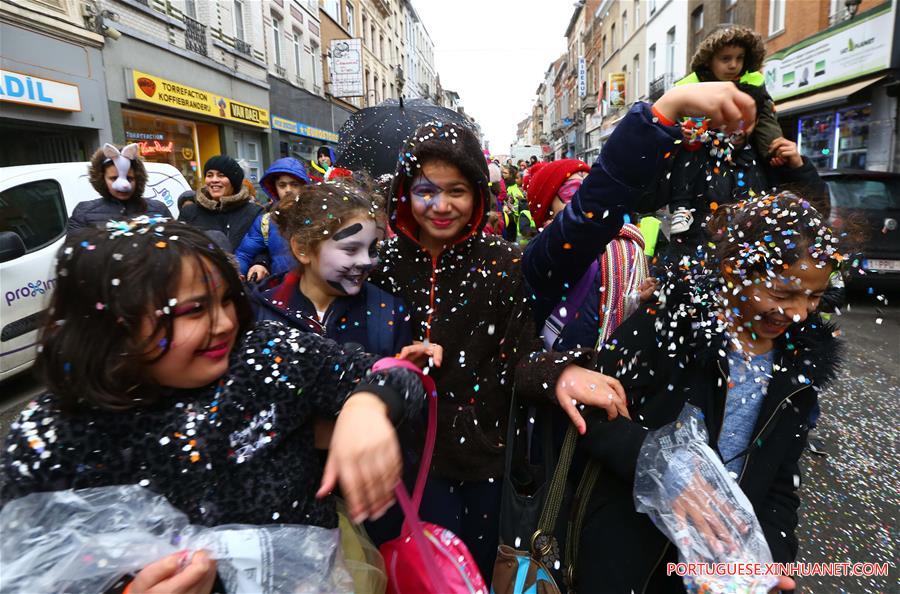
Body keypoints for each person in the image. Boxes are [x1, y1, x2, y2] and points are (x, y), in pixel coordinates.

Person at [0, 218, 430, 593]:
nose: (224, 323)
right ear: (112, 324)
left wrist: (368, 406)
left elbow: (396, 376)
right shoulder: (51, 436)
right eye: (193, 310)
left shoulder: (265, 354)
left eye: (226, 300)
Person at [526, 192, 838, 593]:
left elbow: (781, 480)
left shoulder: (798, 367)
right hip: (633, 557)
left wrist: (771, 559)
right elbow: (592, 408)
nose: (797, 313)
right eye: (780, 294)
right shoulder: (669, 326)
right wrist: (658, 466)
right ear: (733, 270)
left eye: (813, 297)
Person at [367, 121, 626, 581]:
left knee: (476, 576)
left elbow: (522, 357)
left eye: (457, 191)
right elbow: (352, 350)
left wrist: (559, 374)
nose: (441, 206)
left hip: (480, 463)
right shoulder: (382, 264)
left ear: (478, 196)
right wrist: (389, 366)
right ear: (406, 192)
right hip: (398, 458)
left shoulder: (501, 261)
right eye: (426, 190)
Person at [251, 176, 411, 357]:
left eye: (373, 249)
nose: (366, 261)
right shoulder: (259, 312)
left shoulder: (387, 312)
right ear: (302, 249)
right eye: (351, 249)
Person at [675, 25, 783, 160]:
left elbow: (769, 131)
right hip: (699, 168)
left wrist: (776, 153)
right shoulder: (686, 89)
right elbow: (672, 138)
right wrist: (684, 137)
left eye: (740, 58)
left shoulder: (755, 85)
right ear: (708, 60)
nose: (733, 65)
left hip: (746, 168)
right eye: (725, 58)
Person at [67, 143, 172, 233]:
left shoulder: (158, 209)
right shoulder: (84, 213)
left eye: (130, 178)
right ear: (102, 178)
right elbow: (74, 252)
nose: (124, 185)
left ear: (138, 179)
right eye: (114, 178)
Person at [235, 157, 310, 281]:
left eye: (294, 184)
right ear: (274, 188)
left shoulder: (318, 216)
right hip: (281, 290)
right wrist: (235, 275)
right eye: (282, 185)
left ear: (303, 186)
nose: (288, 190)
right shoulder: (266, 221)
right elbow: (244, 254)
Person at [178, 155, 262, 252]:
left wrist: (260, 262)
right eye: (209, 175)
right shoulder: (189, 212)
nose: (214, 180)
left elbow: (264, 248)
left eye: (221, 175)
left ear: (234, 182)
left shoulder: (254, 213)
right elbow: (179, 247)